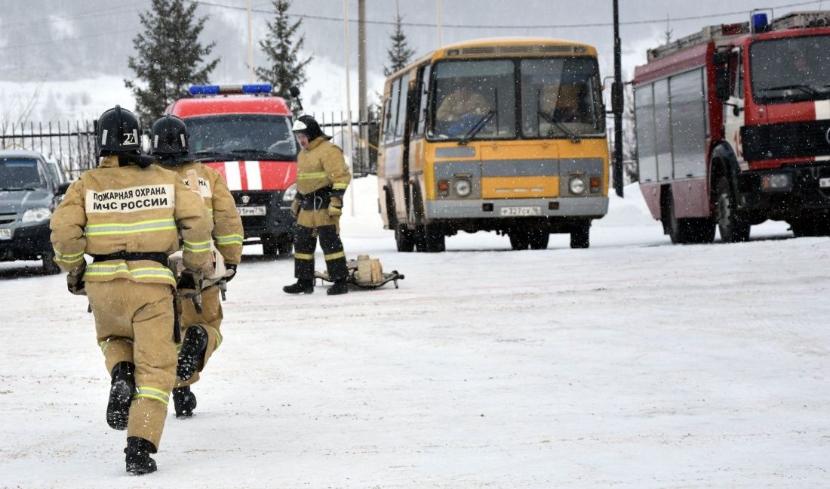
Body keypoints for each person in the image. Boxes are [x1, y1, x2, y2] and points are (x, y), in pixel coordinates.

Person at [50, 106, 213, 475]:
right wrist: (194, 264)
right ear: (138, 140)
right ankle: (139, 447)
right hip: (152, 284)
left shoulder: (86, 184)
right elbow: (199, 221)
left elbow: (62, 232)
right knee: (156, 371)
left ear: (102, 144)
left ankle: (121, 371)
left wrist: (75, 270)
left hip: (103, 285)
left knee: (113, 338)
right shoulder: (163, 178)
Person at [150, 115, 243, 418]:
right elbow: (228, 220)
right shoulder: (207, 177)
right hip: (199, 268)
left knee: (164, 332)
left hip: (155, 268)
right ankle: (200, 341)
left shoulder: (146, 178)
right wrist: (229, 260)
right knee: (206, 325)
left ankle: (180, 391)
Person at [283, 114, 351, 296]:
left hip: (324, 205)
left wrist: (336, 202)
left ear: (312, 134)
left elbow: (341, 177)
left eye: (302, 136)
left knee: (330, 244)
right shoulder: (303, 155)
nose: (300, 141)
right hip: (307, 206)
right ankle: (304, 282)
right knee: (302, 243)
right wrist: (297, 201)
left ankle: (340, 281)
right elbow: (303, 182)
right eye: (298, 137)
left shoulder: (329, 150)